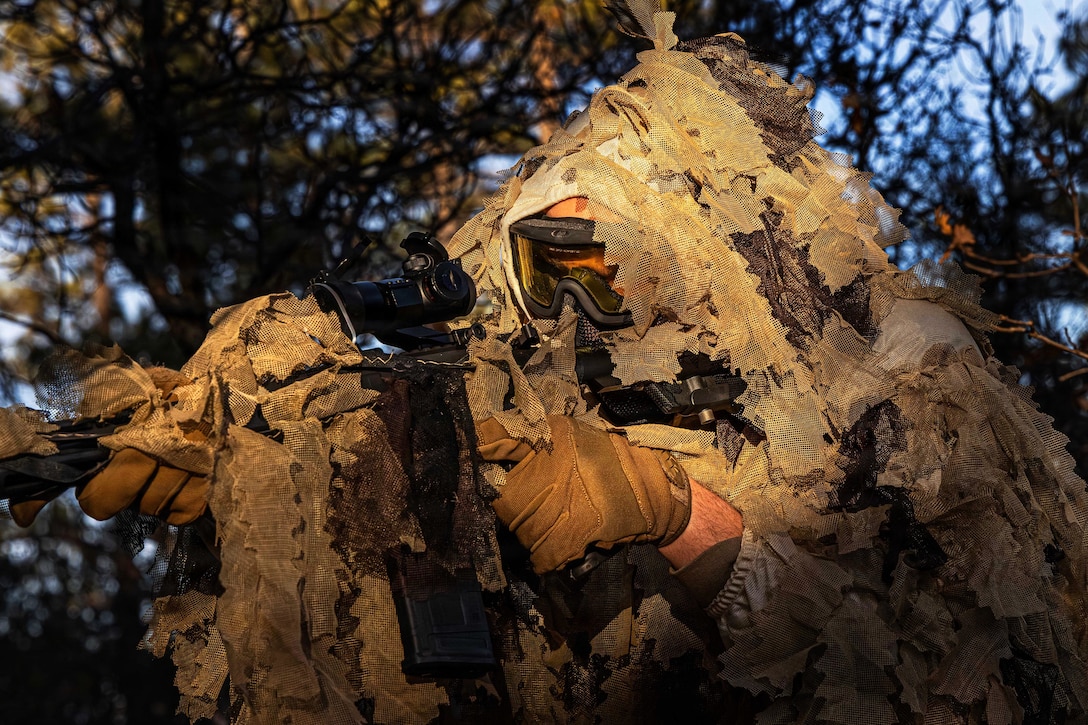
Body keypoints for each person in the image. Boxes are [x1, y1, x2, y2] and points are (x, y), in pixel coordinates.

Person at [6, 9, 1088, 725]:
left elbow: (931, 670)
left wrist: (678, 515)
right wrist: (274, 471)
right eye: (544, 265)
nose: (573, 307)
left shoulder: (905, 369)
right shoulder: (558, 362)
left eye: (593, 260)